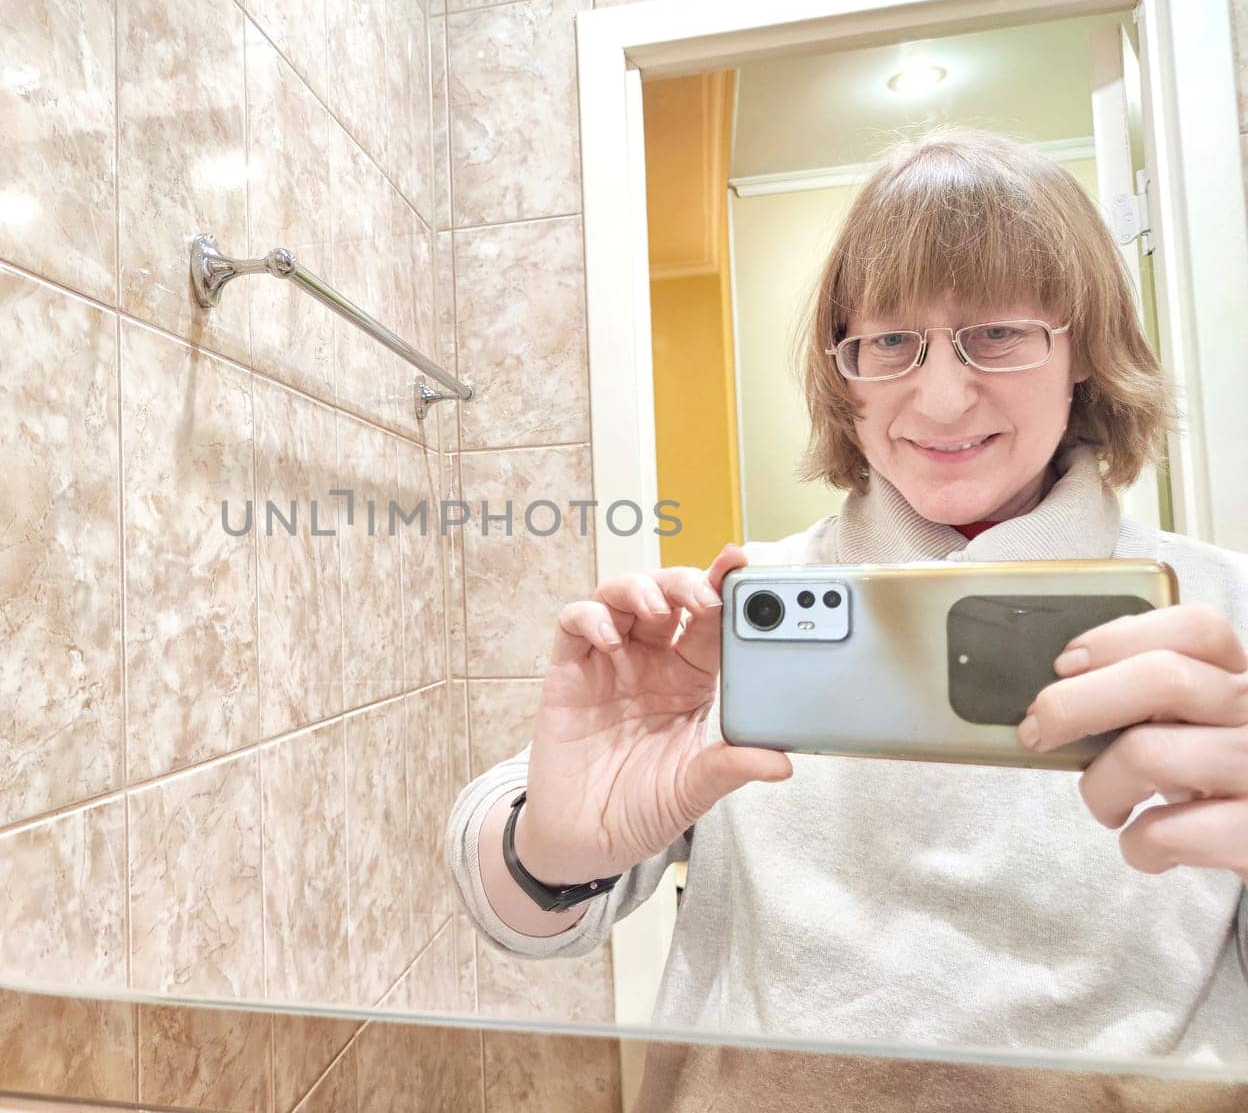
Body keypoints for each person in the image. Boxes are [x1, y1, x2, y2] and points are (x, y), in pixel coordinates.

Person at [444, 127, 1248, 1106]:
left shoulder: (1220, 614)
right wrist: (553, 845)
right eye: (889, 342)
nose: (942, 396)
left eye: (996, 333)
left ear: (1081, 350)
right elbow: (522, 909)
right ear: (843, 369)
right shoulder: (745, 605)